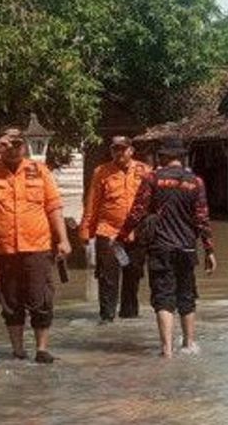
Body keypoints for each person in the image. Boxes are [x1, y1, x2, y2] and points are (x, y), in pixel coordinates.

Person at [0, 125, 71, 364]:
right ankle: (17, 350)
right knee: (9, 301)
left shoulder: (39, 170)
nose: (13, 148)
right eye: (8, 143)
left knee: (41, 298)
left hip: (37, 246)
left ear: (25, 146)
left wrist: (64, 239)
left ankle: (41, 349)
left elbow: (53, 206)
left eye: (17, 143)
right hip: (2, 249)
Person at [118, 136, 216, 358]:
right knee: (187, 297)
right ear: (182, 157)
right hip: (187, 249)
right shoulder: (195, 182)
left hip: (160, 247)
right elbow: (202, 219)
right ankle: (189, 345)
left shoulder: (152, 179)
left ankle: (167, 350)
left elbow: (137, 211)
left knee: (163, 298)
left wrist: (123, 235)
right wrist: (209, 250)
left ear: (163, 157)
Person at [79, 135, 151, 322]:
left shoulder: (145, 171)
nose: (118, 152)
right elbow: (92, 203)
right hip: (108, 232)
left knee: (133, 275)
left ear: (131, 151)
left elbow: (154, 203)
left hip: (136, 233)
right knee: (107, 277)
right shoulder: (101, 172)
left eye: (122, 149)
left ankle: (129, 316)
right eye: (115, 149)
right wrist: (86, 231)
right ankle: (107, 317)